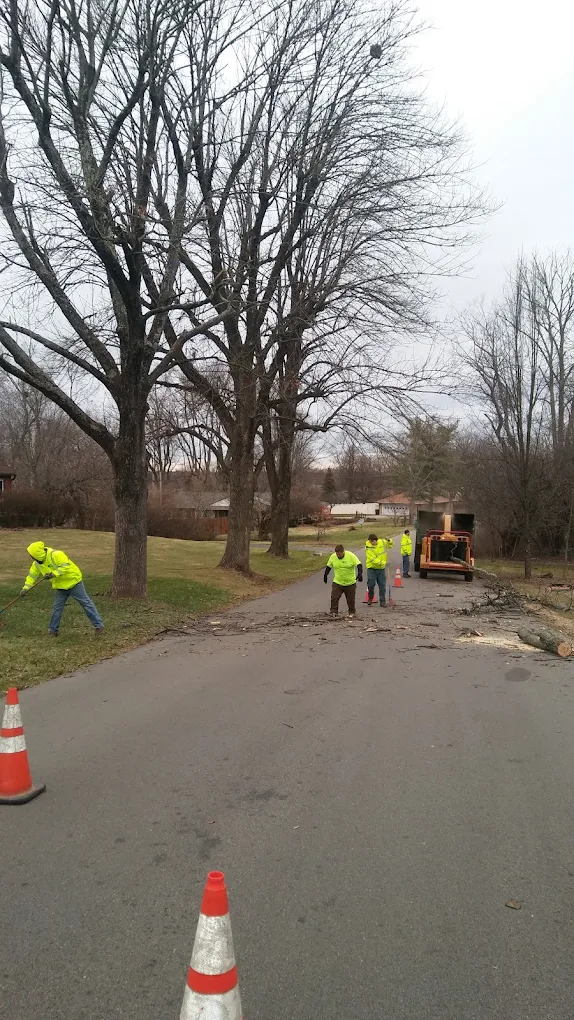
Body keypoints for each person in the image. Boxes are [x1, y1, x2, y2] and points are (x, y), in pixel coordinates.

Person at [21, 541, 104, 637]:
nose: (31, 557)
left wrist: (53, 574)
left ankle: (99, 626)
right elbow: (32, 576)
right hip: (60, 587)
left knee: (86, 603)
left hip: (73, 582)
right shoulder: (36, 564)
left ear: (37, 554)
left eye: (31, 555)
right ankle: (53, 631)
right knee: (57, 608)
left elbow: (66, 566)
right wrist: (25, 588)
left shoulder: (56, 554)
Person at [324, 544, 363, 618]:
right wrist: (325, 575)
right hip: (338, 581)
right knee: (334, 597)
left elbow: (359, 565)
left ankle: (352, 612)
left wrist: (360, 573)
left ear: (343, 552)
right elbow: (329, 566)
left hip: (350, 582)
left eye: (339, 554)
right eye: (337, 554)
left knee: (350, 599)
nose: (338, 556)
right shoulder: (333, 556)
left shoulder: (351, 556)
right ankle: (333, 611)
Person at [364, 533, 394, 606]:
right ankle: (370, 597)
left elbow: (390, 545)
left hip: (381, 569)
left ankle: (382, 602)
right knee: (371, 584)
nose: (372, 543)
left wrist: (389, 540)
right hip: (372, 568)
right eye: (371, 542)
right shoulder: (368, 548)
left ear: (376, 540)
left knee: (382, 586)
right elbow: (373, 560)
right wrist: (384, 563)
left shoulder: (383, 542)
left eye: (373, 541)